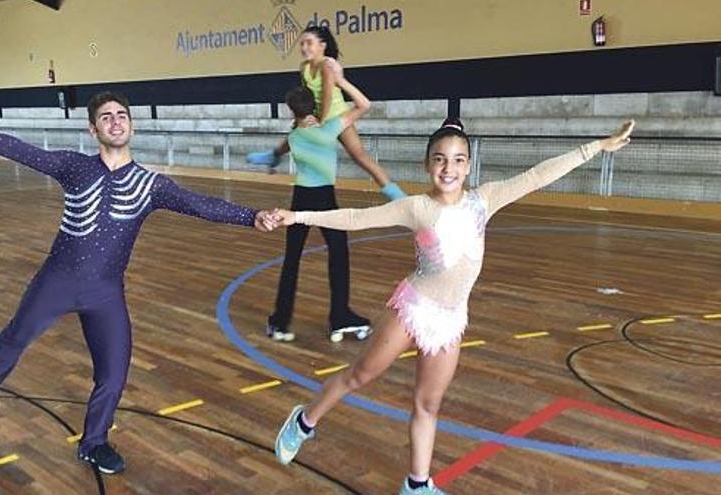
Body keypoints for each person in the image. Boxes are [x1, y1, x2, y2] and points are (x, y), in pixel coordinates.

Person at [0, 92, 277, 475]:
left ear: (131, 126)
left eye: (122, 115)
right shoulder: (75, 168)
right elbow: (19, 150)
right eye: (106, 117)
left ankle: (94, 443)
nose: (116, 121)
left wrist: (251, 216)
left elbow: (200, 204)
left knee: (114, 372)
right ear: (93, 129)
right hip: (57, 279)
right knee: (16, 336)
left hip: (105, 292)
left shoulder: (151, 184)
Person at [270, 118, 636, 494]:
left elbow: (538, 175)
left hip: (450, 319)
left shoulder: (485, 200)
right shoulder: (417, 208)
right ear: (428, 165)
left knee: (427, 405)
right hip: (412, 309)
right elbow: (356, 218)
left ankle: (417, 485)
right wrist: (297, 216)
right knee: (359, 376)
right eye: (440, 159)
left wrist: (597, 146)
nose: (449, 168)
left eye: (458, 160)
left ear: (469, 165)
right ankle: (303, 422)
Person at [267, 59, 383, 343]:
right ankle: (340, 317)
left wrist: (272, 158)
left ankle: (280, 322)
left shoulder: (294, 137)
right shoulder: (329, 128)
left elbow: (280, 148)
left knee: (292, 260)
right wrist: (340, 81)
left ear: (292, 111)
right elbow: (364, 104)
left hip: (300, 200)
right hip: (325, 198)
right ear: (314, 106)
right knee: (339, 255)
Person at [248, 25, 406, 201]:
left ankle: (395, 193)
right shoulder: (304, 67)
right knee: (292, 138)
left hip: (336, 115)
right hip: (316, 114)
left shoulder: (327, 65)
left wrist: (321, 121)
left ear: (322, 46)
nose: (304, 47)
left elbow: (327, 95)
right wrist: (301, 119)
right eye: (302, 44)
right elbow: (307, 93)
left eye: (309, 43)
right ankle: (273, 156)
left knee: (360, 156)